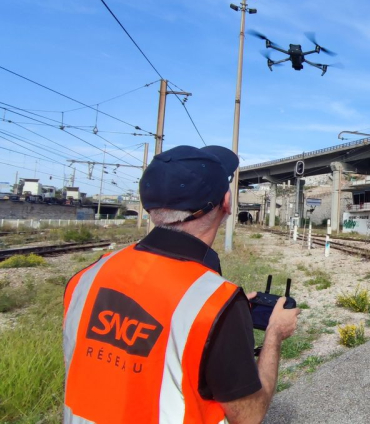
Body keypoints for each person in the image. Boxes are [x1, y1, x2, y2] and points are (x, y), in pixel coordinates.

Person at [62, 145, 299, 423]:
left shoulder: (86, 277)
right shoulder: (215, 304)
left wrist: (219, 323)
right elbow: (249, 415)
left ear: (150, 208)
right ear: (226, 202)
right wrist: (274, 334)